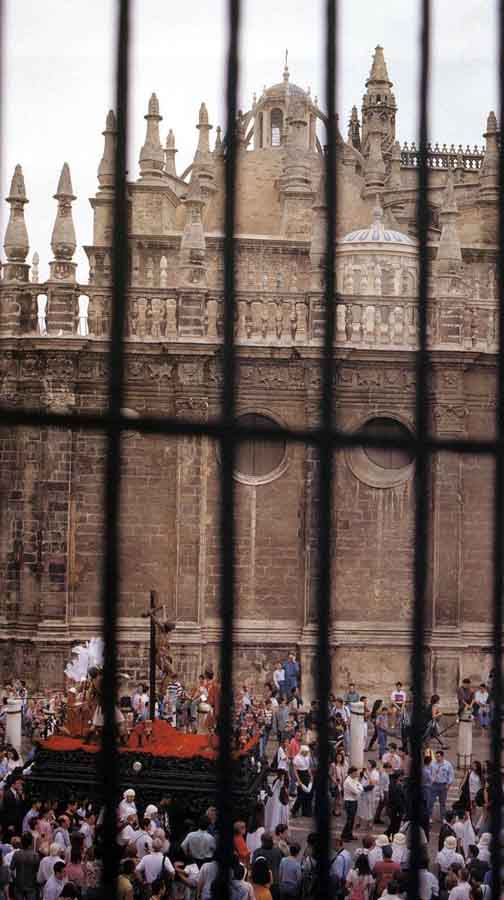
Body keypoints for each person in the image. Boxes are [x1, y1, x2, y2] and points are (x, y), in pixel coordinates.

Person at [10, 831, 39, 900]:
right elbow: (37, 871)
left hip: (19, 885)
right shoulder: (35, 855)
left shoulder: (17, 854)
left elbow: (11, 869)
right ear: (31, 842)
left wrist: (15, 880)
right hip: (31, 886)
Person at [430, 750, 455, 822]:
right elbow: (430, 773)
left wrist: (448, 784)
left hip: (443, 785)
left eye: (438, 757)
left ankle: (443, 817)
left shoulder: (448, 764)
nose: (437, 758)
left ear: (442, 756)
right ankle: (430, 817)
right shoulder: (432, 764)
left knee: (443, 803)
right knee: (431, 802)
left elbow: (451, 775)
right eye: (436, 756)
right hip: (434, 785)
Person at [341, 767, 363, 842]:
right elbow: (356, 791)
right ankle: (344, 836)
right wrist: (358, 789)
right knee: (349, 820)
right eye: (356, 773)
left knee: (352, 820)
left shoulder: (354, 779)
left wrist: (359, 788)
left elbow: (361, 787)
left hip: (354, 801)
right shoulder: (348, 781)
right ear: (351, 773)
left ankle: (349, 834)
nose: (357, 774)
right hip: (349, 802)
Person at [291, 747, 312, 818]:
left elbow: (308, 767)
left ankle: (306, 811)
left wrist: (311, 776)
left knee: (307, 795)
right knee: (301, 795)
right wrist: (298, 780)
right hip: (300, 775)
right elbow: (295, 771)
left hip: (306, 775)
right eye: (305, 752)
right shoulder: (297, 758)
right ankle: (294, 810)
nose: (306, 753)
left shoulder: (307, 757)